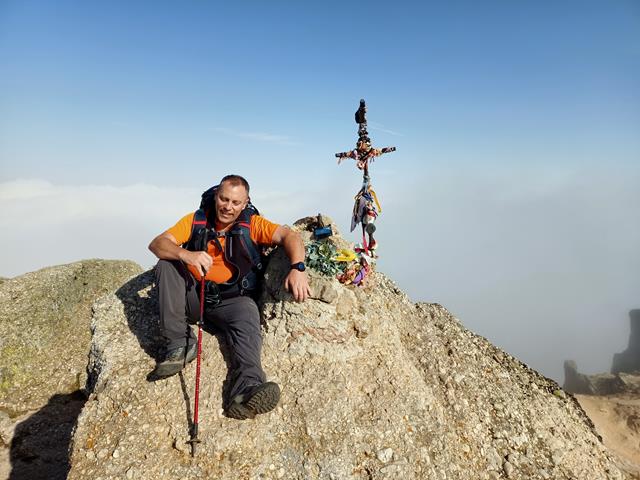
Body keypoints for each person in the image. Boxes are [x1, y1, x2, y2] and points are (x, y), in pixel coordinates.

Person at [148, 174, 310, 419]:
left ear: (245, 204)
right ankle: (179, 343)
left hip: (233, 301)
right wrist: (186, 255)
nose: (228, 207)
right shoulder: (196, 220)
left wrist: (298, 268)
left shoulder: (253, 225)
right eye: (224, 199)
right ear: (216, 197)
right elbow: (158, 243)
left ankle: (246, 391)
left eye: (235, 202)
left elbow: (290, 236)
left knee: (248, 314)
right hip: (195, 296)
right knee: (165, 265)